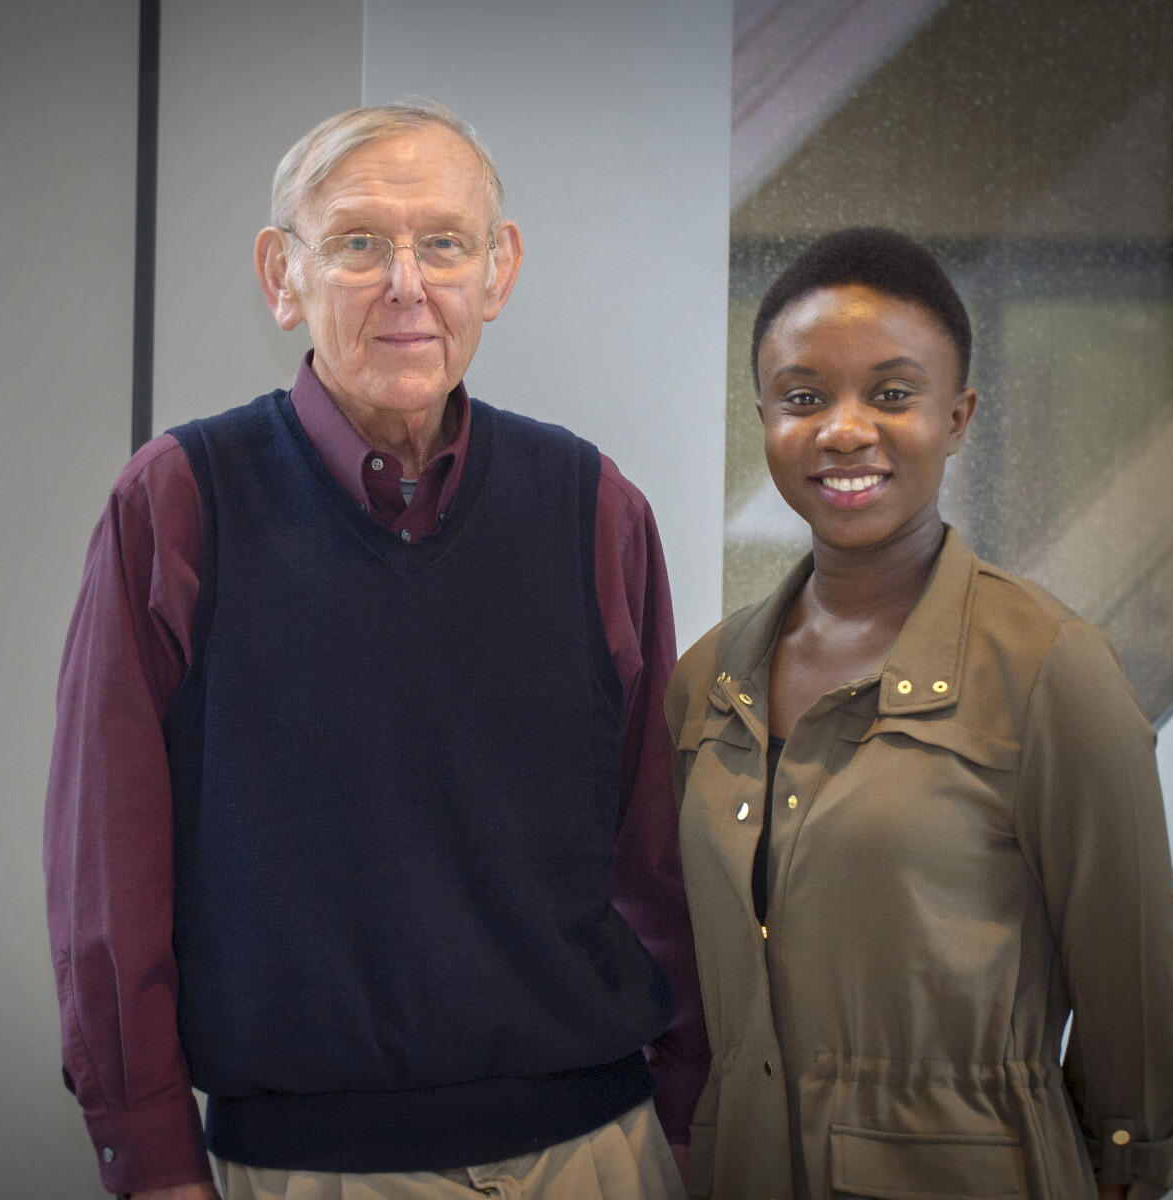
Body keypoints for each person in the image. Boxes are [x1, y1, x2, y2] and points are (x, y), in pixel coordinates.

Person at [45, 102, 706, 1200]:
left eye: (443, 243)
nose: (407, 281)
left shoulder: (595, 507)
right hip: (310, 1170)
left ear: (498, 272)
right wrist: (153, 1160)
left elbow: (658, 862)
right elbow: (106, 880)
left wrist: (686, 1113)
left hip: (597, 1154)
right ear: (281, 275)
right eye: (358, 242)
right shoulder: (177, 506)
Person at [665, 227, 1173, 1199]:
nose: (844, 430)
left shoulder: (1049, 670)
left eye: (894, 394)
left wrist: (1131, 1162)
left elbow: (1134, 984)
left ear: (959, 417)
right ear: (764, 420)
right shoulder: (706, 679)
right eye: (804, 397)